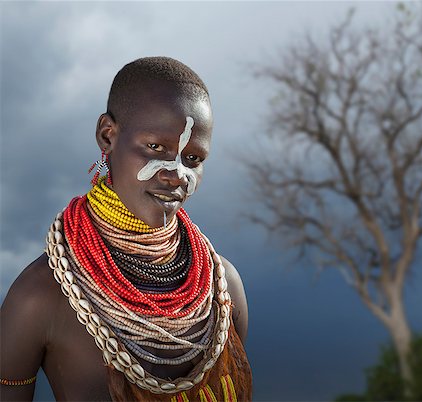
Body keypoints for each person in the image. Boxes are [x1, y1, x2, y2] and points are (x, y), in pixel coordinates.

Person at [0, 57, 252, 402]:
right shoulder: (41, 296)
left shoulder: (222, 288)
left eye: (193, 159)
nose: (177, 174)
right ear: (108, 135)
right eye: (155, 148)